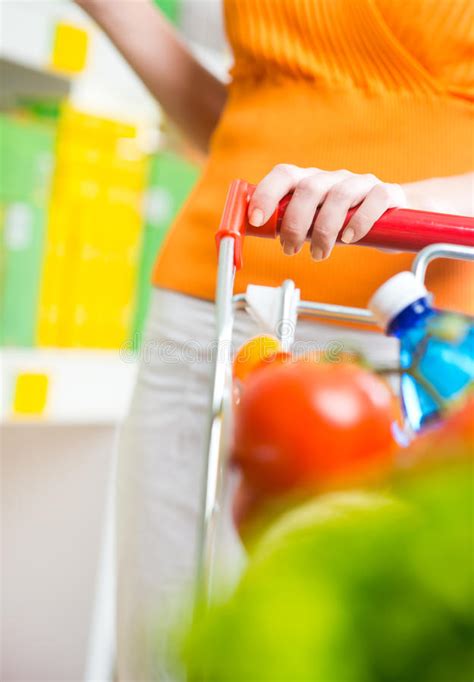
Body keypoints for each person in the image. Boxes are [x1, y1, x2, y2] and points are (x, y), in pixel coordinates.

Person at [76, 0, 473, 679]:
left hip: (423, 327)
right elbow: (258, 102)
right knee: (168, 655)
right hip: (212, 303)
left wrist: (410, 202)